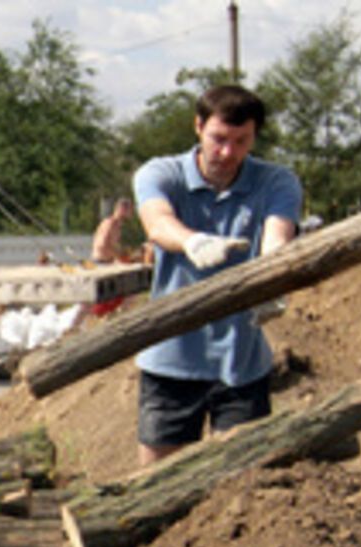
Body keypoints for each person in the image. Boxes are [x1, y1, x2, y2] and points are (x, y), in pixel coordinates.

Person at [132, 84, 301, 467]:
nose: (227, 152)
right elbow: (158, 223)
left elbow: (277, 234)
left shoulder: (276, 181)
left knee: (244, 480)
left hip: (242, 362)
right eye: (219, 139)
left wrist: (275, 278)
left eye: (241, 141)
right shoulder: (162, 173)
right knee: (156, 480)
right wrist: (192, 242)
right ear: (198, 126)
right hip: (170, 356)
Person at [91, 198, 134, 263]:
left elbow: (112, 245)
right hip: (100, 262)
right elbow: (101, 244)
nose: (131, 213)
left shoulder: (118, 226)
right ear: (122, 209)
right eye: (130, 210)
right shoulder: (109, 223)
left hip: (109, 262)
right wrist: (120, 255)